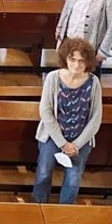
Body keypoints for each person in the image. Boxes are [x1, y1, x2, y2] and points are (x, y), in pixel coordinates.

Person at [32, 37, 103, 206]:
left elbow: (95, 118)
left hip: (80, 140)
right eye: (72, 59)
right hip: (53, 136)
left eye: (81, 61)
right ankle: (38, 208)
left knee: (73, 179)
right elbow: (46, 112)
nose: (76, 65)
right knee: (43, 173)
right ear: (65, 58)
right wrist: (63, 143)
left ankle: (65, 212)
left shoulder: (93, 83)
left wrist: (75, 144)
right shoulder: (53, 78)